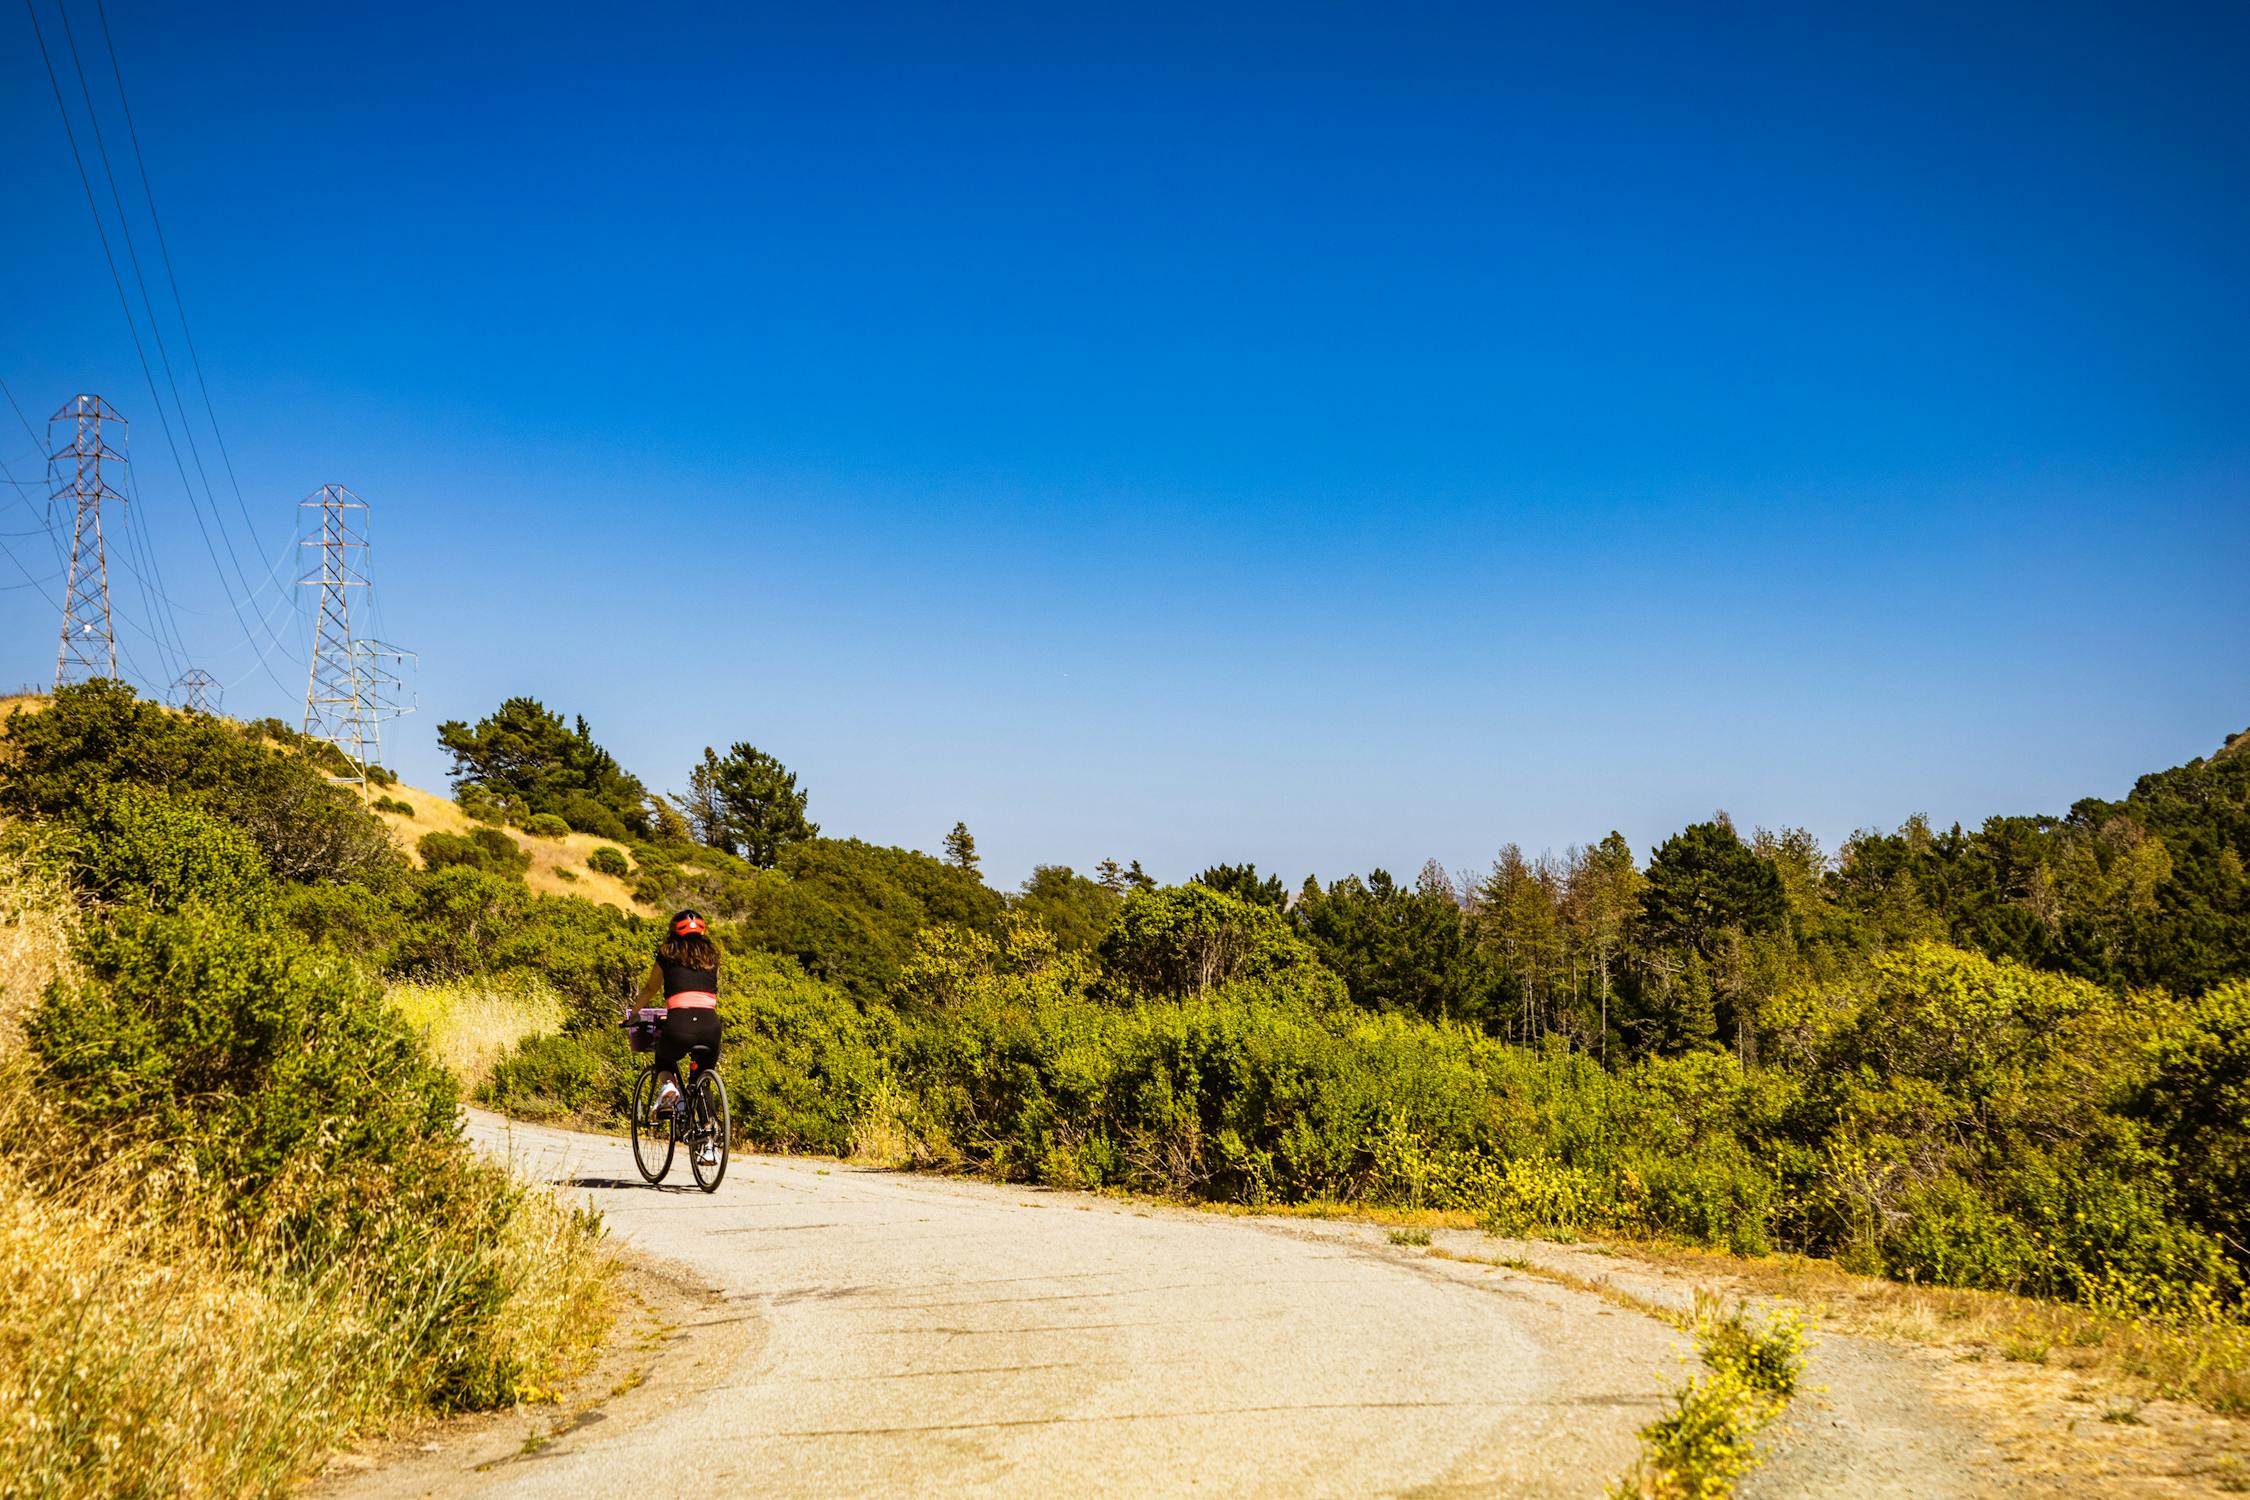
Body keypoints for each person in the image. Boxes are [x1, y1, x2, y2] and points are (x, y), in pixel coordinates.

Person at [629, 909, 723, 1164]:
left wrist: (634, 1015)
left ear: (673, 931)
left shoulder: (667, 954)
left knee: (664, 1057)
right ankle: (710, 1145)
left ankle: (668, 1087)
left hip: (679, 1023)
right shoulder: (713, 956)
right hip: (710, 1025)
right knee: (702, 1080)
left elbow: (651, 988)